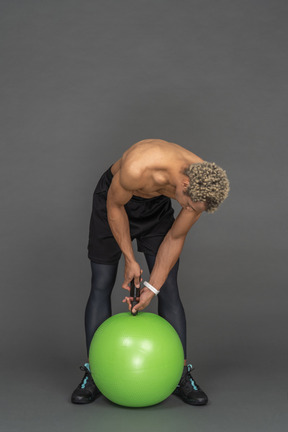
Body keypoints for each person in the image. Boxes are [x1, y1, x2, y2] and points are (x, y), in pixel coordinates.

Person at [71, 138, 230, 406]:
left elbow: (176, 238)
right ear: (184, 184)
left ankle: (180, 374)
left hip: (155, 206)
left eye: (194, 210)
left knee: (168, 288)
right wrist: (130, 259)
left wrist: (151, 288)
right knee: (102, 282)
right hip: (115, 199)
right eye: (189, 206)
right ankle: (95, 373)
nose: (188, 211)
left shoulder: (203, 185)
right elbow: (114, 206)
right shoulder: (138, 166)